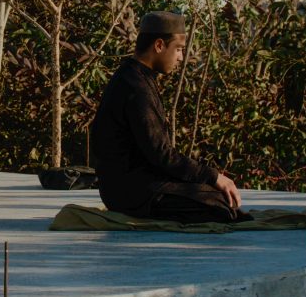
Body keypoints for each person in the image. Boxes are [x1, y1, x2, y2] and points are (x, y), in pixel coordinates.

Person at [89, 11, 247, 223]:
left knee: (214, 195)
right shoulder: (135, 87)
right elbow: (162, 156)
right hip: (131, 194)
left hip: (139, 186)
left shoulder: (136, 76)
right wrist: (213, 176)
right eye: (179, 49)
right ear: (159, 45)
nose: (181, 57)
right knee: (219, 205)